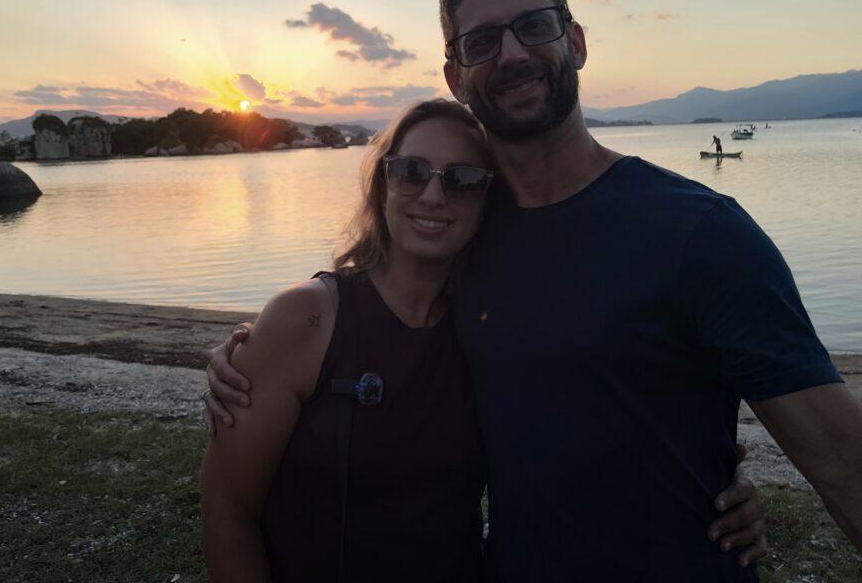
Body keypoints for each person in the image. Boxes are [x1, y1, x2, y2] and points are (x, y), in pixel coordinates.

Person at [206, 0, 862, 581]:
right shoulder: (466, 233)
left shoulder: (701, 233)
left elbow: (841, 463)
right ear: (456, 77)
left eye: (534, 26)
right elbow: (385, 322)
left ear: (575, 42)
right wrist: (253, 349)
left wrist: (711, 472)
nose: (513, 53)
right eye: (482, 40)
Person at [199, 99, 766, 582]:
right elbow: (228, 505)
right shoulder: (309, 319)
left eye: (463, 179)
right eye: (411, 171)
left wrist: (712, 482)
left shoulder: (491, 327)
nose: (433, 195)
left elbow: (585, 429)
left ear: (488, 199)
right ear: (383, 183)